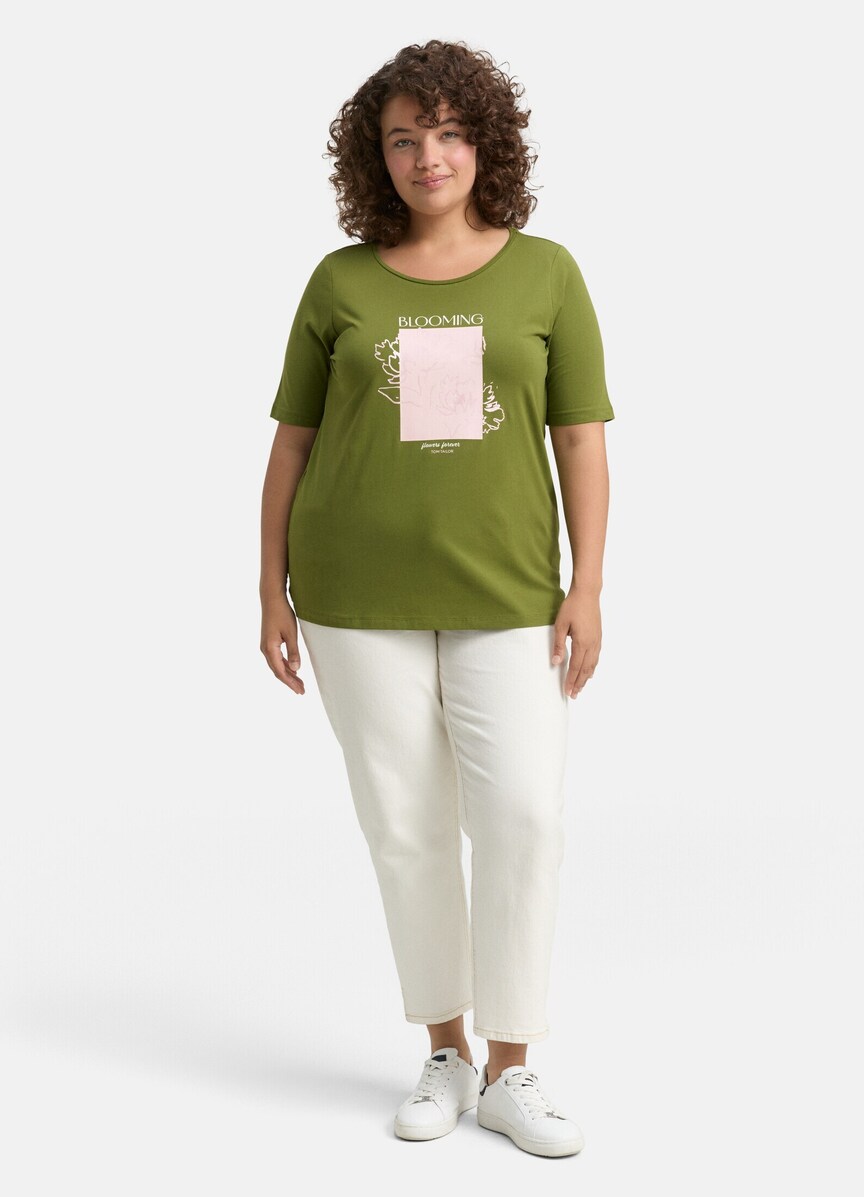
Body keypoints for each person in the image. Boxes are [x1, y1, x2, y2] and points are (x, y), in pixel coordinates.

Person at [259, 39, 614, 1158]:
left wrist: (587, 585)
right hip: (352, 594)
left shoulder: (547, 273)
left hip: (511, 591)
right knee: (407, 827)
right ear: (376, 156)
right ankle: (447, 1049)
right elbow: (293, 441)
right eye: (404, 138)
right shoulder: (340, 283)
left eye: (451, 134)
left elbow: (580, 437)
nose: (429, 157)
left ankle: (513, 1067)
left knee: (524, 817)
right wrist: (269, 587)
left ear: (486, 144)